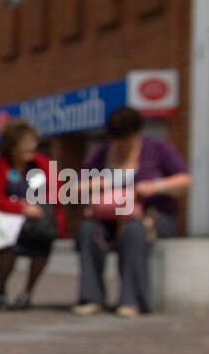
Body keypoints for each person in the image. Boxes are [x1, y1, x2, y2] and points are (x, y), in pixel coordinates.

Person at [74, 106, 191, 317]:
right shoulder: (100, 153)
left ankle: (131, 299)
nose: (120, 144)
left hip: (150, 215)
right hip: (108, 216)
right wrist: (99, 185)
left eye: (125, 139)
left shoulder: (158, 149)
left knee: (135, 231)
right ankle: (91, 297)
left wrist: (155, 187)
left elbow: (184, 180)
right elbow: (77, 187)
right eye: (116, 139)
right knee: (87, 230)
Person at [0, 119, 62, 310]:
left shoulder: (43, 164)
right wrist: (20, 207)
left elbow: (57, 191)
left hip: (39, 223)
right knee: (10, 248)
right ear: (12, 145)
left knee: (43, 248)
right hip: (10, 223)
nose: (31, 146)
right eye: (26, 142)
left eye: (33, 141)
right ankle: (1, 291)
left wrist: (37, 203)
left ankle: (27, 293)